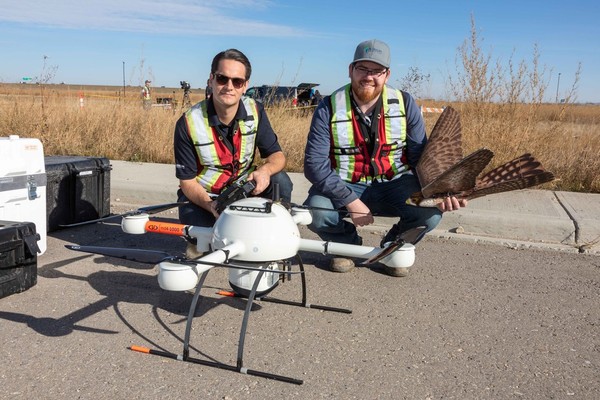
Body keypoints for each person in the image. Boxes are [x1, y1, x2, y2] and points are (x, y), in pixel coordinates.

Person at [303, 39, 466, 277]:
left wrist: (442, 191)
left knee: (429, 214)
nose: (368, 77)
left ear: (387, 74)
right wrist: (350, 200)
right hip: (346, 182)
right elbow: (314, 165)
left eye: (376, 71)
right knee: (316, 211)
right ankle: (346, 246)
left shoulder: (404, 102)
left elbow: (421, 156)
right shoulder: (328, 106)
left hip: (396, 184)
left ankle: (392, 247)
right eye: (362, 69)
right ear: (350, 70)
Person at [174, 48, 293, 258]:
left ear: (245, 85)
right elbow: (187, 182)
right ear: (211, 80)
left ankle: (269, 236)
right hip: (205, 197)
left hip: (244, 189)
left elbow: (277, 157)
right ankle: (206, 239)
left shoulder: (256, 110)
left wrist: (264, 172)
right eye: (222, 79)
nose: (229, 87)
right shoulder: (188, 123)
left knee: (280, 181)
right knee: (201, 243)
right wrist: (211, 206)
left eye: (237, 81)